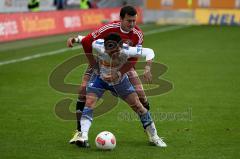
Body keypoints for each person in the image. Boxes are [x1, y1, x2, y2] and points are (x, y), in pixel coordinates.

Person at [67, 5, 151, 144]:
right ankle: (79, 133)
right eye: (129, 21)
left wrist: (119, 73)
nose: (132, 24)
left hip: (124, 66)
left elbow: (134, 58)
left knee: (140, 94)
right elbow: (88, 40)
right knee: (82, 90)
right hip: (102, 64)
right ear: (121, 19)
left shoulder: (138, 34)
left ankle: (148, 128)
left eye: (134, 21)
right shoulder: (109, 28)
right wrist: (92, 62)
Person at [75, 32, 167, 148]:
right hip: (100, 80)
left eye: (116, 51)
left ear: (121, 46)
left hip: (120, 82)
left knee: (138, 106)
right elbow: (85, 40)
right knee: (89, 103)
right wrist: (75, 39)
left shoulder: (127, 50)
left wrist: (147, 68)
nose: (114, 54)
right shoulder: (98, 45)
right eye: (111, 52)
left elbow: (149, 51)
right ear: (104, 47)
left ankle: (154, 137)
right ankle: (83, 137)